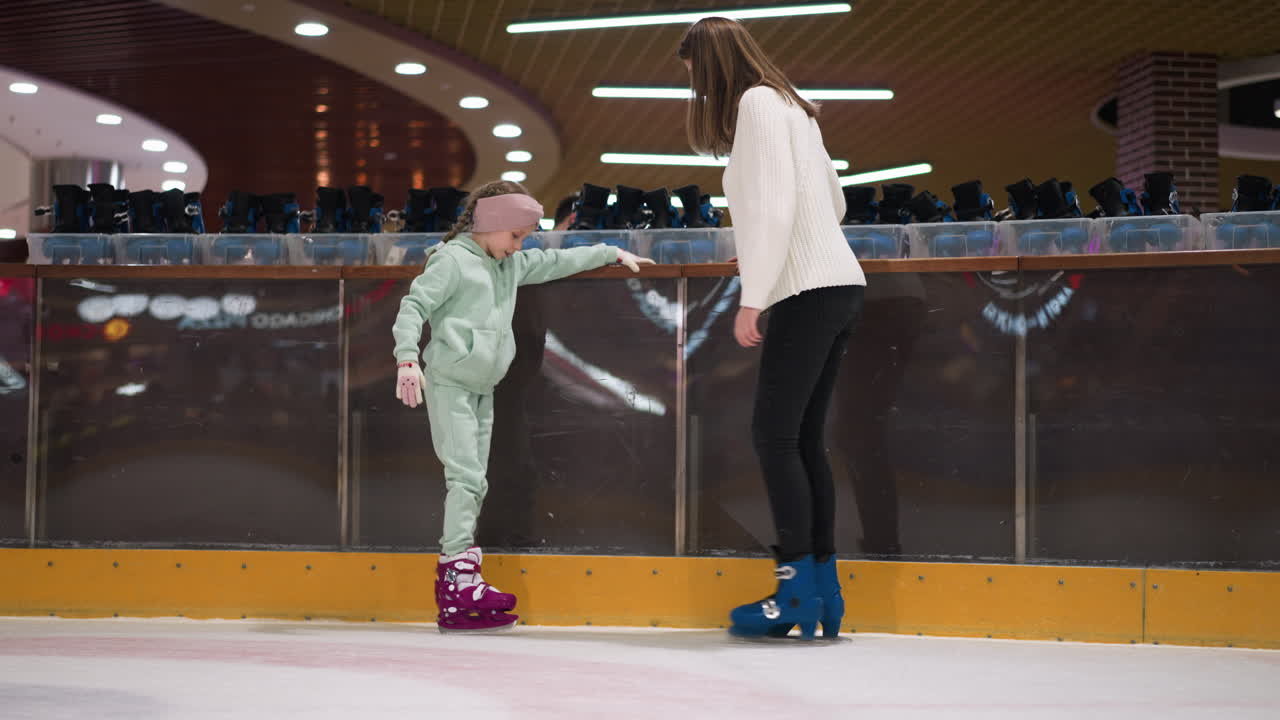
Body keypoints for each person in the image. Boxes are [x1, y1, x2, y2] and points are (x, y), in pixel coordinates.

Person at [391, 180, 653, 632]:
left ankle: (463, 579)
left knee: (477, 482)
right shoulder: (451, 261)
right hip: (449, 382)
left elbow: (554, 261)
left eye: (525, 238)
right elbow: (413, 306)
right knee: (466, 478)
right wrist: (407, 359)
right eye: (515, 236)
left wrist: (609, 252)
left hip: (484, 386)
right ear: (491, 223)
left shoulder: (508, 266)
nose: (519, 246)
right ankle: (455, 580)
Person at [679, 17, 867, 639]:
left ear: (708, 67)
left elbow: (772, 207)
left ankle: (795, 594)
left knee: (774, 437)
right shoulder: (793, 103)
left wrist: (753, 294)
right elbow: (831, 205)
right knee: (803, 439)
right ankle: (823, 594)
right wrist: (766, 257)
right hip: (837, 280)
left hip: (805, 287)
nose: (697, 92)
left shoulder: (756, 104)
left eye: (693, 78)